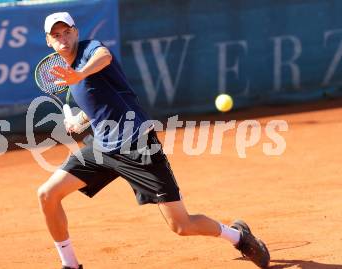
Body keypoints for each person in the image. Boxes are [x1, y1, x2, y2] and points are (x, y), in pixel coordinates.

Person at [37, 12, 270, 269]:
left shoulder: (90, 51)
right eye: (56, 35)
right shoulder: (69, 75)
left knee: (182, 225)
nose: (63, 39)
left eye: (67, 32)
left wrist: (80, 74)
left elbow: (104, 57)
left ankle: (239, 237)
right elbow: (99, 105)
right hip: (102, 147)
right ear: (49, 41)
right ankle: (70, 265)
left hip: (138, 145)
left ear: (76, 32)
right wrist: (79, 121)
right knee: (47, 194)